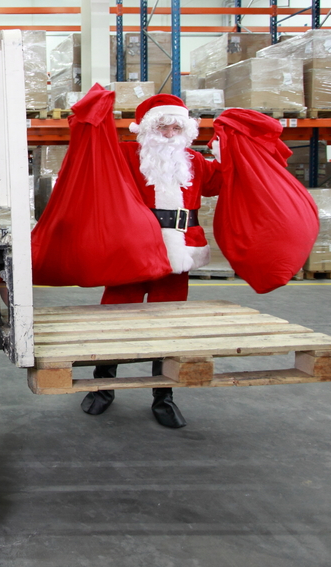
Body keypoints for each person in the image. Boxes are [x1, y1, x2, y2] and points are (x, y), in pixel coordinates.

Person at [80, 94, 222, 428]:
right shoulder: (126, 154)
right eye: (162, 126)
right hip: (132, 250)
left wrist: (232, 146)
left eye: (176, 127)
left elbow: (221, 181)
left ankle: (164, 396)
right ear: (146, 128)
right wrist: (95, 120)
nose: (169, 133)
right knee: (115, 317)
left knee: (169, 323)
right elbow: (94, 157)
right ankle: (103, 388)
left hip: (179, 255)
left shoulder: (194, 161)